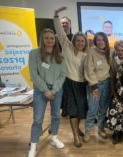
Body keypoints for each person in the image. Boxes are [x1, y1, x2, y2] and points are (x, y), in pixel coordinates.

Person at [27, 28, 66, 157]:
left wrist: (53, 90)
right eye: (46, 38)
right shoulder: (34, 54)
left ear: (55, 41)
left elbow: (62, 75)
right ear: (42, 40)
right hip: (40, 89)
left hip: (56, 90)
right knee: (38, 118)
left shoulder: (60, 57)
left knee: (56, 115)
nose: (49, 40)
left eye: (52, 38)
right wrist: (45, 90)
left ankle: (54, 137)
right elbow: (33, 74)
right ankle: (33, 145)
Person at [54, 7, 89, 148]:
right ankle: (75, 135)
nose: (80, 43)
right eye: (78, 40)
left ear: (85, 42)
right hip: (69, 83)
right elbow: (60, 31)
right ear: (74, 40)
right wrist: (56, 15)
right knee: (73, 110)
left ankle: (78, 128)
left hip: (82, 84)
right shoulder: (67, 47)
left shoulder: (87, 54)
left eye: (82, 41)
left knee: (81, 110)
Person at [84, 32, 112, 142]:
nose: (101, 42)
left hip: (107, 84)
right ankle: (87, 131)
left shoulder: (109, 52)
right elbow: (89, 70)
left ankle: (100, 128)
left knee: (103, 109)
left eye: (103, 40)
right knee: (92, 109)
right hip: (95, 85)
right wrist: (94, 86)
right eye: (98, 40)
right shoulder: (91, 52)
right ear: (95, 41)